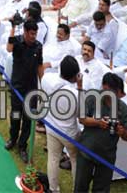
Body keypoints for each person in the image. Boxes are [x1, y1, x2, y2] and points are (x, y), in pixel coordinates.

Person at [75, 73, 127, 192]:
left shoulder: (123, 109)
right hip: (86, 151)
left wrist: (122, 132)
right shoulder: (92, 98)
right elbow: (82, 119)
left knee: (101, 189)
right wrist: (98, 122)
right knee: (80, 186)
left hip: (107, 156)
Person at [5, 19, 43, 161]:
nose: (34, 36)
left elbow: (39, 66)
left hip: (31, 90)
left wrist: (42, 85)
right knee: (15, 115)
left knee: (28, 120)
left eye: (35, 34)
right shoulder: (17, 42)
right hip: (17, 87)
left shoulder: (38, 47)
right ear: (26, 32)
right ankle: (12, 138)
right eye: (32, 33)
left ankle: (22, 146)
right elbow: (8, 48)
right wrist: (13, 28)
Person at [41, 55, 80, 193]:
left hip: (51, 127)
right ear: (75, 75)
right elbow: (81, 116)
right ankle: (77, 189)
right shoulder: (75, 94)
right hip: (69, 133)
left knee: (53, 158)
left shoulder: (47, 79)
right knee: (75, 160)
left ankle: (53, 189)